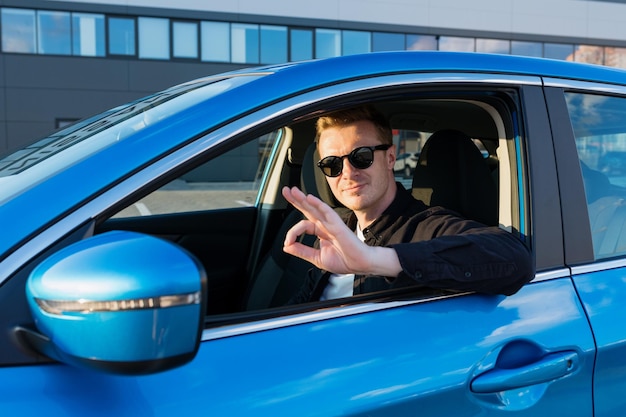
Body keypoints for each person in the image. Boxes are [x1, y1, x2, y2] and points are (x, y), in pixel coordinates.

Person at [281, 105, 534, 303]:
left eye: (361, 157)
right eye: (332, 164)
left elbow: (516, 260)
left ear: (390, 157)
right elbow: (303, 303)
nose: (347, 172)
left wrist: (374, 259)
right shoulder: (335, 229)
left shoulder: (427, 227)